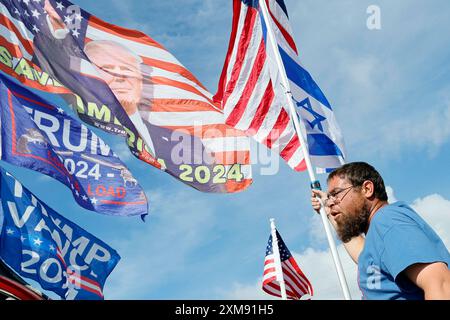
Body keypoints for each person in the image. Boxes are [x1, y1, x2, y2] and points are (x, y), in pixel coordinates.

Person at [311, 162, 450, 300]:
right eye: (329, 197)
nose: (330, 202)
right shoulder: (377, 235)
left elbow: (441, 285)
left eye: (336, 194)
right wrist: (330, 214)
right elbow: (364, 256)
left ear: (367, 189)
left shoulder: (387, 220)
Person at [83, 40, 156, 157]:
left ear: (141, 81)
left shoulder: (165, 137)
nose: (120, 77)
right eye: (107, 69)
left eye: (127, 69)